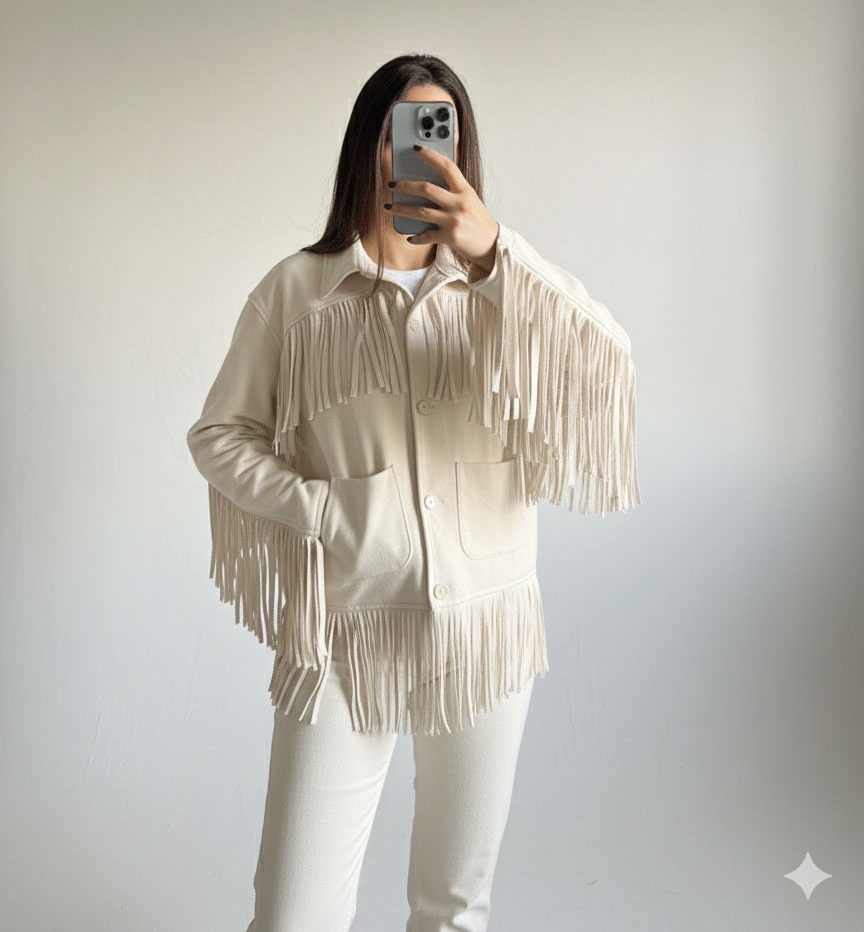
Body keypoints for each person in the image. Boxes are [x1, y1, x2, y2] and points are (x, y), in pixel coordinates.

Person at [186, 53, 641, 931]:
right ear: (370, 146)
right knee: (292, 915)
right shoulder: (298, 291)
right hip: (345, 629)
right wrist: (323, 510)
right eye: (407, 133)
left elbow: (607, 364)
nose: (424, 156)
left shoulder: (502, 287)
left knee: (453, 907)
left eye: (444, 137)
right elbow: (220, 434)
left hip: (484, 628)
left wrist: (496, 251)